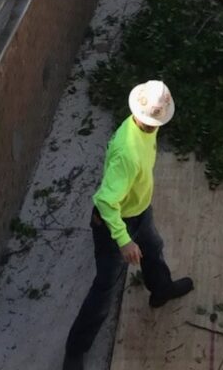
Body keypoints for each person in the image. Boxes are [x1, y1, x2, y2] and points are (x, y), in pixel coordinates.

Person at [62, 81, 193, 370]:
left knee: (153, 248)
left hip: (139, 210)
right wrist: (123, 240)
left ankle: (161, 290)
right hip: (115, 222)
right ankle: (74, 351)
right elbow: (106, 202)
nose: (154, 125)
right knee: (105, 287)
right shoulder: (127, 153)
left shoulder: (146, 126)